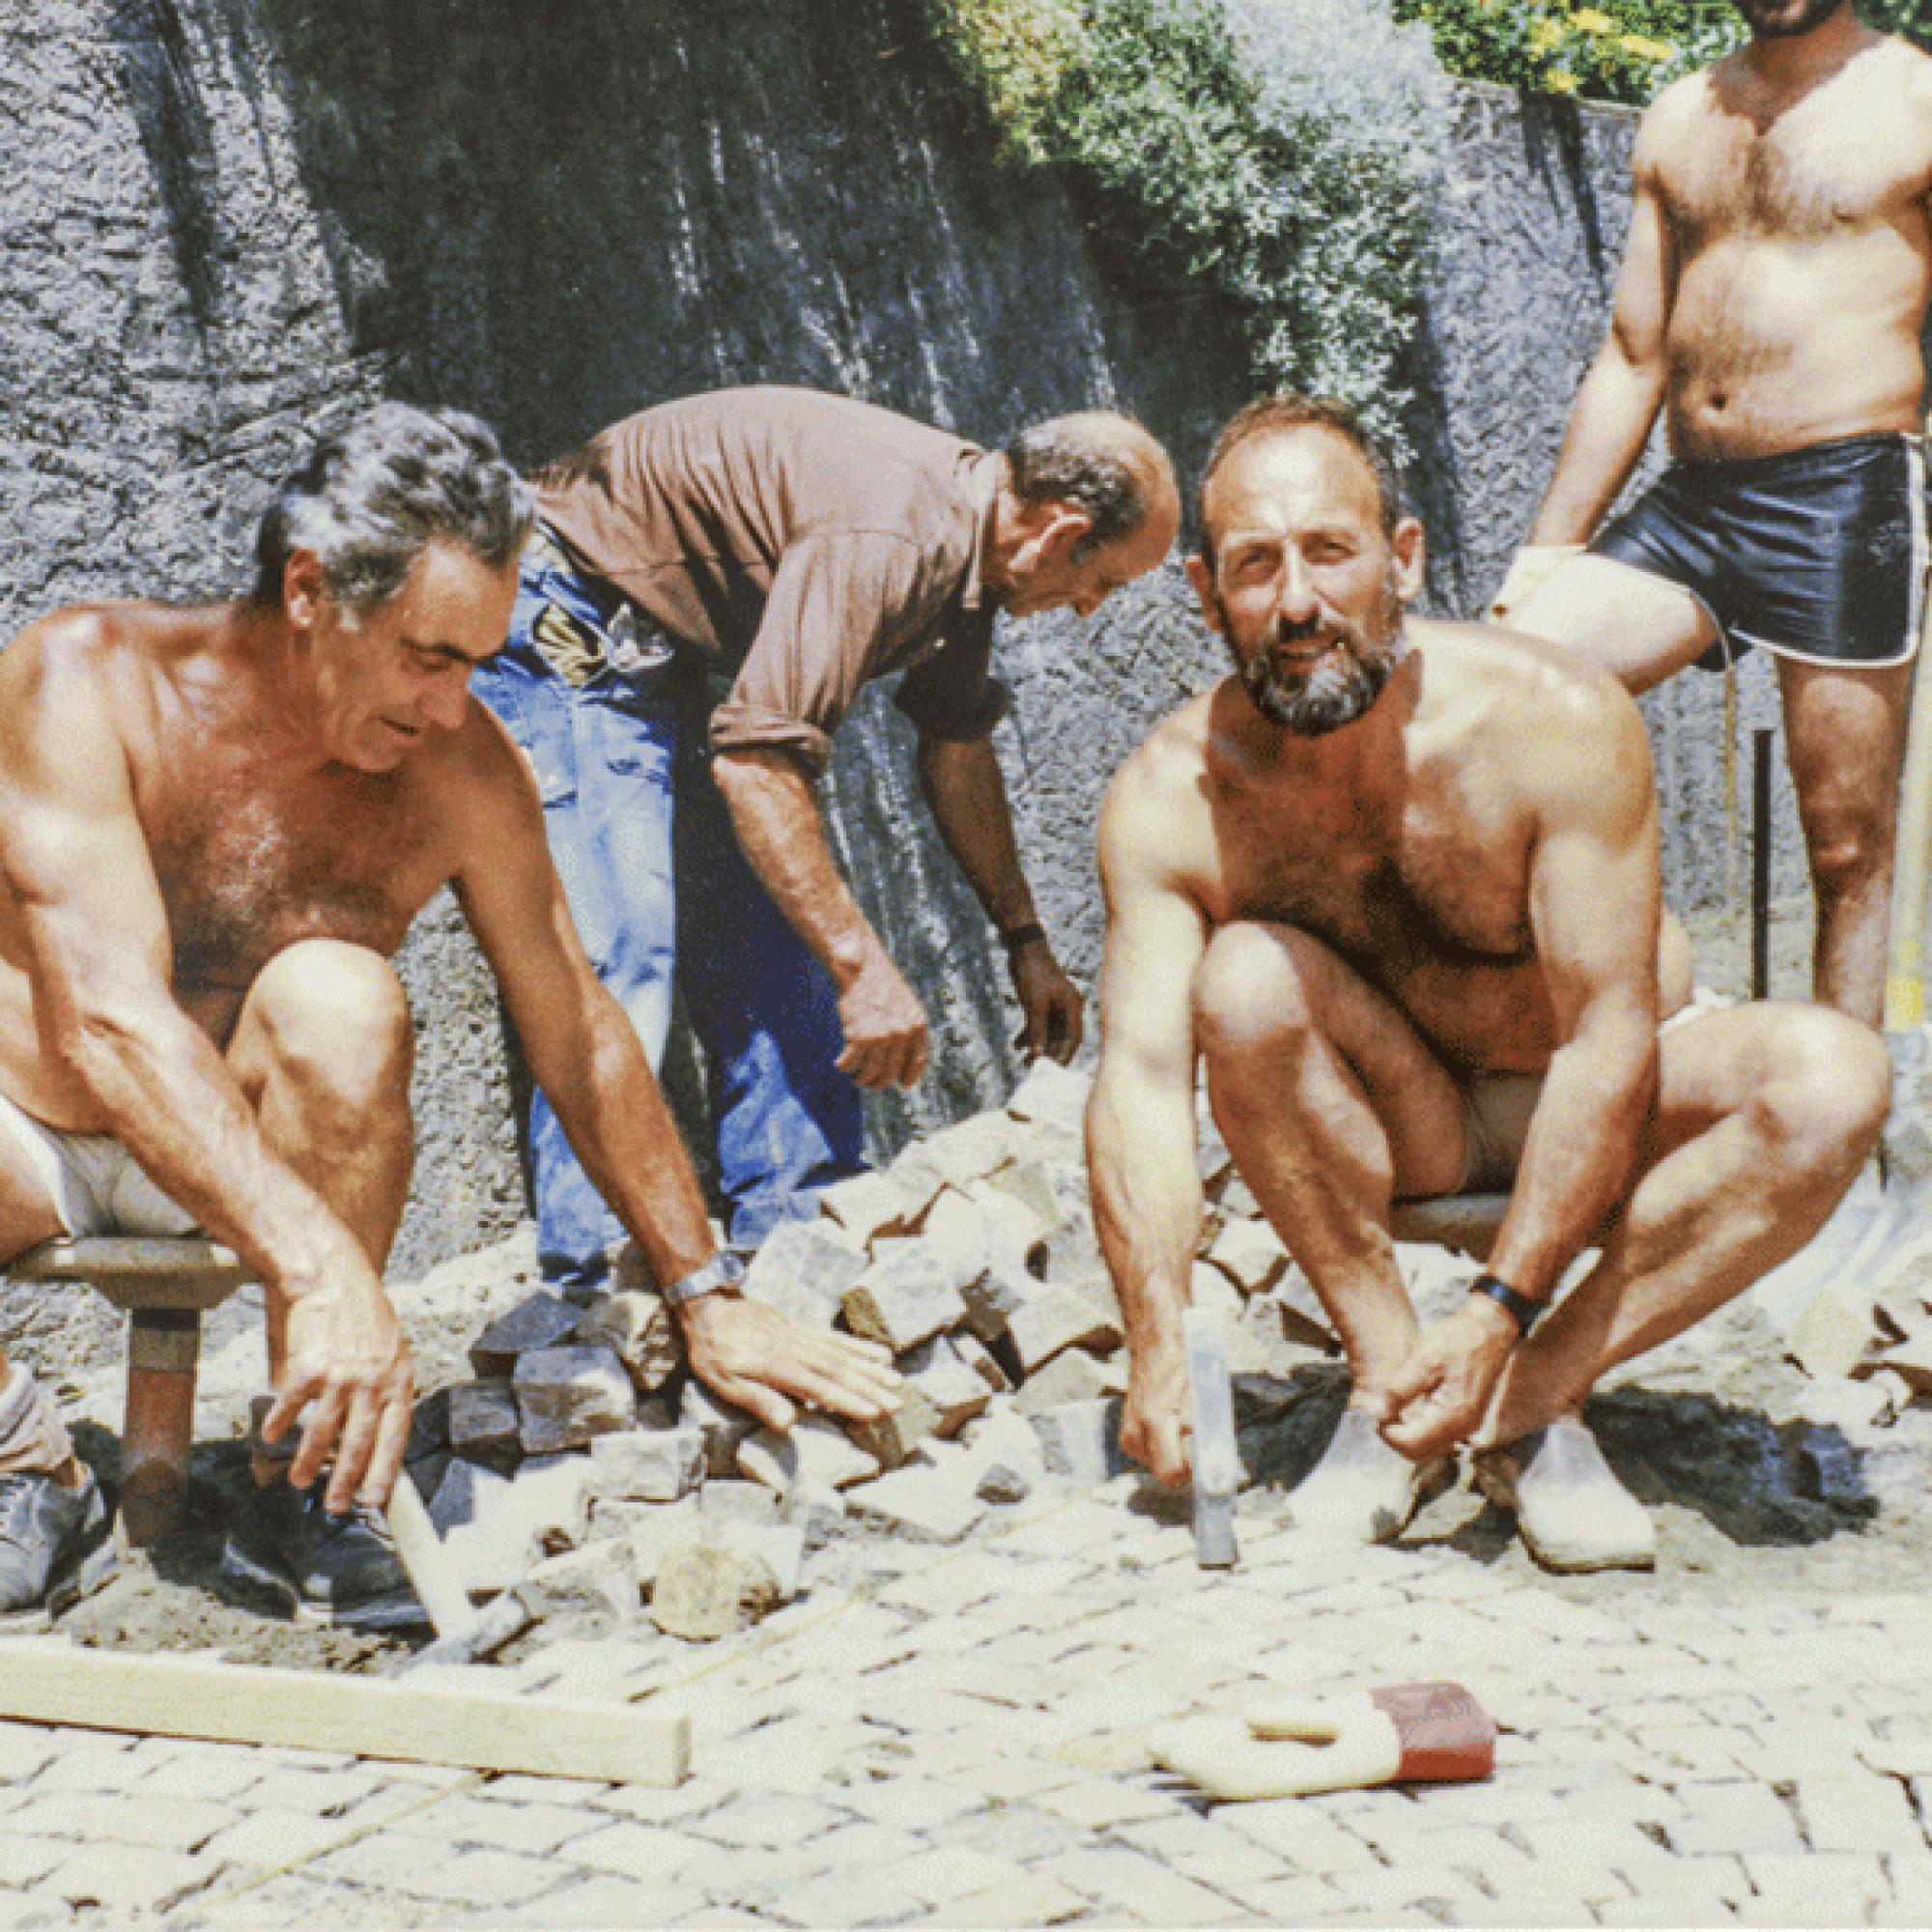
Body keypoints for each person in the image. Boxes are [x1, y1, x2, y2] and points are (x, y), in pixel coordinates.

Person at [0, 403, 899, 1613]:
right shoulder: (84, 679)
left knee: (346, 998)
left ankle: (299, 1484)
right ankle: (27, 1466)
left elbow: (575, 1025)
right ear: (311, 590)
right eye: (430, 655)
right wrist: (321, 1265)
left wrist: (706, 1293)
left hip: (254, 1132)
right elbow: (110, 1022)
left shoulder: (464, 768)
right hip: (36, 1126)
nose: (451, 701)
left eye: (478, 660)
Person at [1090, 396, 1889, 1572]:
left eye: (1329, 550)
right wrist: (1154, 1339)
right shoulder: (1168, 796)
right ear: (1210, 597)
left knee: (1831, 1076)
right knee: (1241, 977)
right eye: (1256, 567)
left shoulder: (1553, 717)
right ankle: (1386, 1392)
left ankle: (1530, 1399)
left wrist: (1496, 1312)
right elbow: (1142, 1082)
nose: (1297, 603)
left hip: (1594, 1109)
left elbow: (1607, 1039)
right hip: (1399, 1123)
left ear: (1400, 561)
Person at [467, 385, 1180, 1291]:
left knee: (782, 947)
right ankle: (594, 1298)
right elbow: (759, 766)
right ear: (1053, 531)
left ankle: (798, 1249)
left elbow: (957, 748)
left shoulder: (968, 553)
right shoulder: (894, 536)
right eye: (1102, 580)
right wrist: (865, 968)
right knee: (617, 954)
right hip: (561, 617)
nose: (1087, 607)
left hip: (666, 653)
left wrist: (1026, 943)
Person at [1489, 0, 1932, 1027]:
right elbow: (1632, 354)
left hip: (1842, 493)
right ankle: (1625, 1016)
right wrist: (1542, 554)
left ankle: (1837, 1123)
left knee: (1843, 842)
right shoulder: (1681, 112)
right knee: (1495, 709)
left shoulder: (1914, 97)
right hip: (1691, 501)